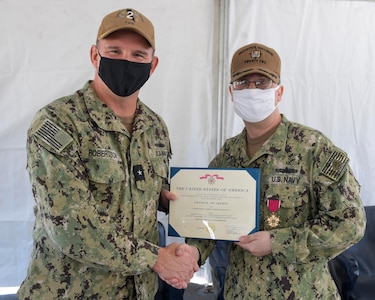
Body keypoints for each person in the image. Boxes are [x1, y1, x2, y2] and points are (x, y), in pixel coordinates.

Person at [17, 8, 199, 299]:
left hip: (139, 291)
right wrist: (158, 258)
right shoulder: (58, 121)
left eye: (138, 55)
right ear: (94, 56)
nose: (126, 61)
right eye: (114, 50)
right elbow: (69, 223)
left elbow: (139, 190)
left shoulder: (154, 127)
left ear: (152, 66)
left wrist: (164, 196)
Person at [185, 43, 367, 299]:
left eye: (262, 83)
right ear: (231, 92)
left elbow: (350, 223)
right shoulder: (229, 155)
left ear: (279, 92)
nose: (251, 90)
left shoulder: (313, 148)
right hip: (241, 293)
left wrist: (278, 243)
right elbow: (210, 218)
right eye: (243, 83)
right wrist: (192, 252)